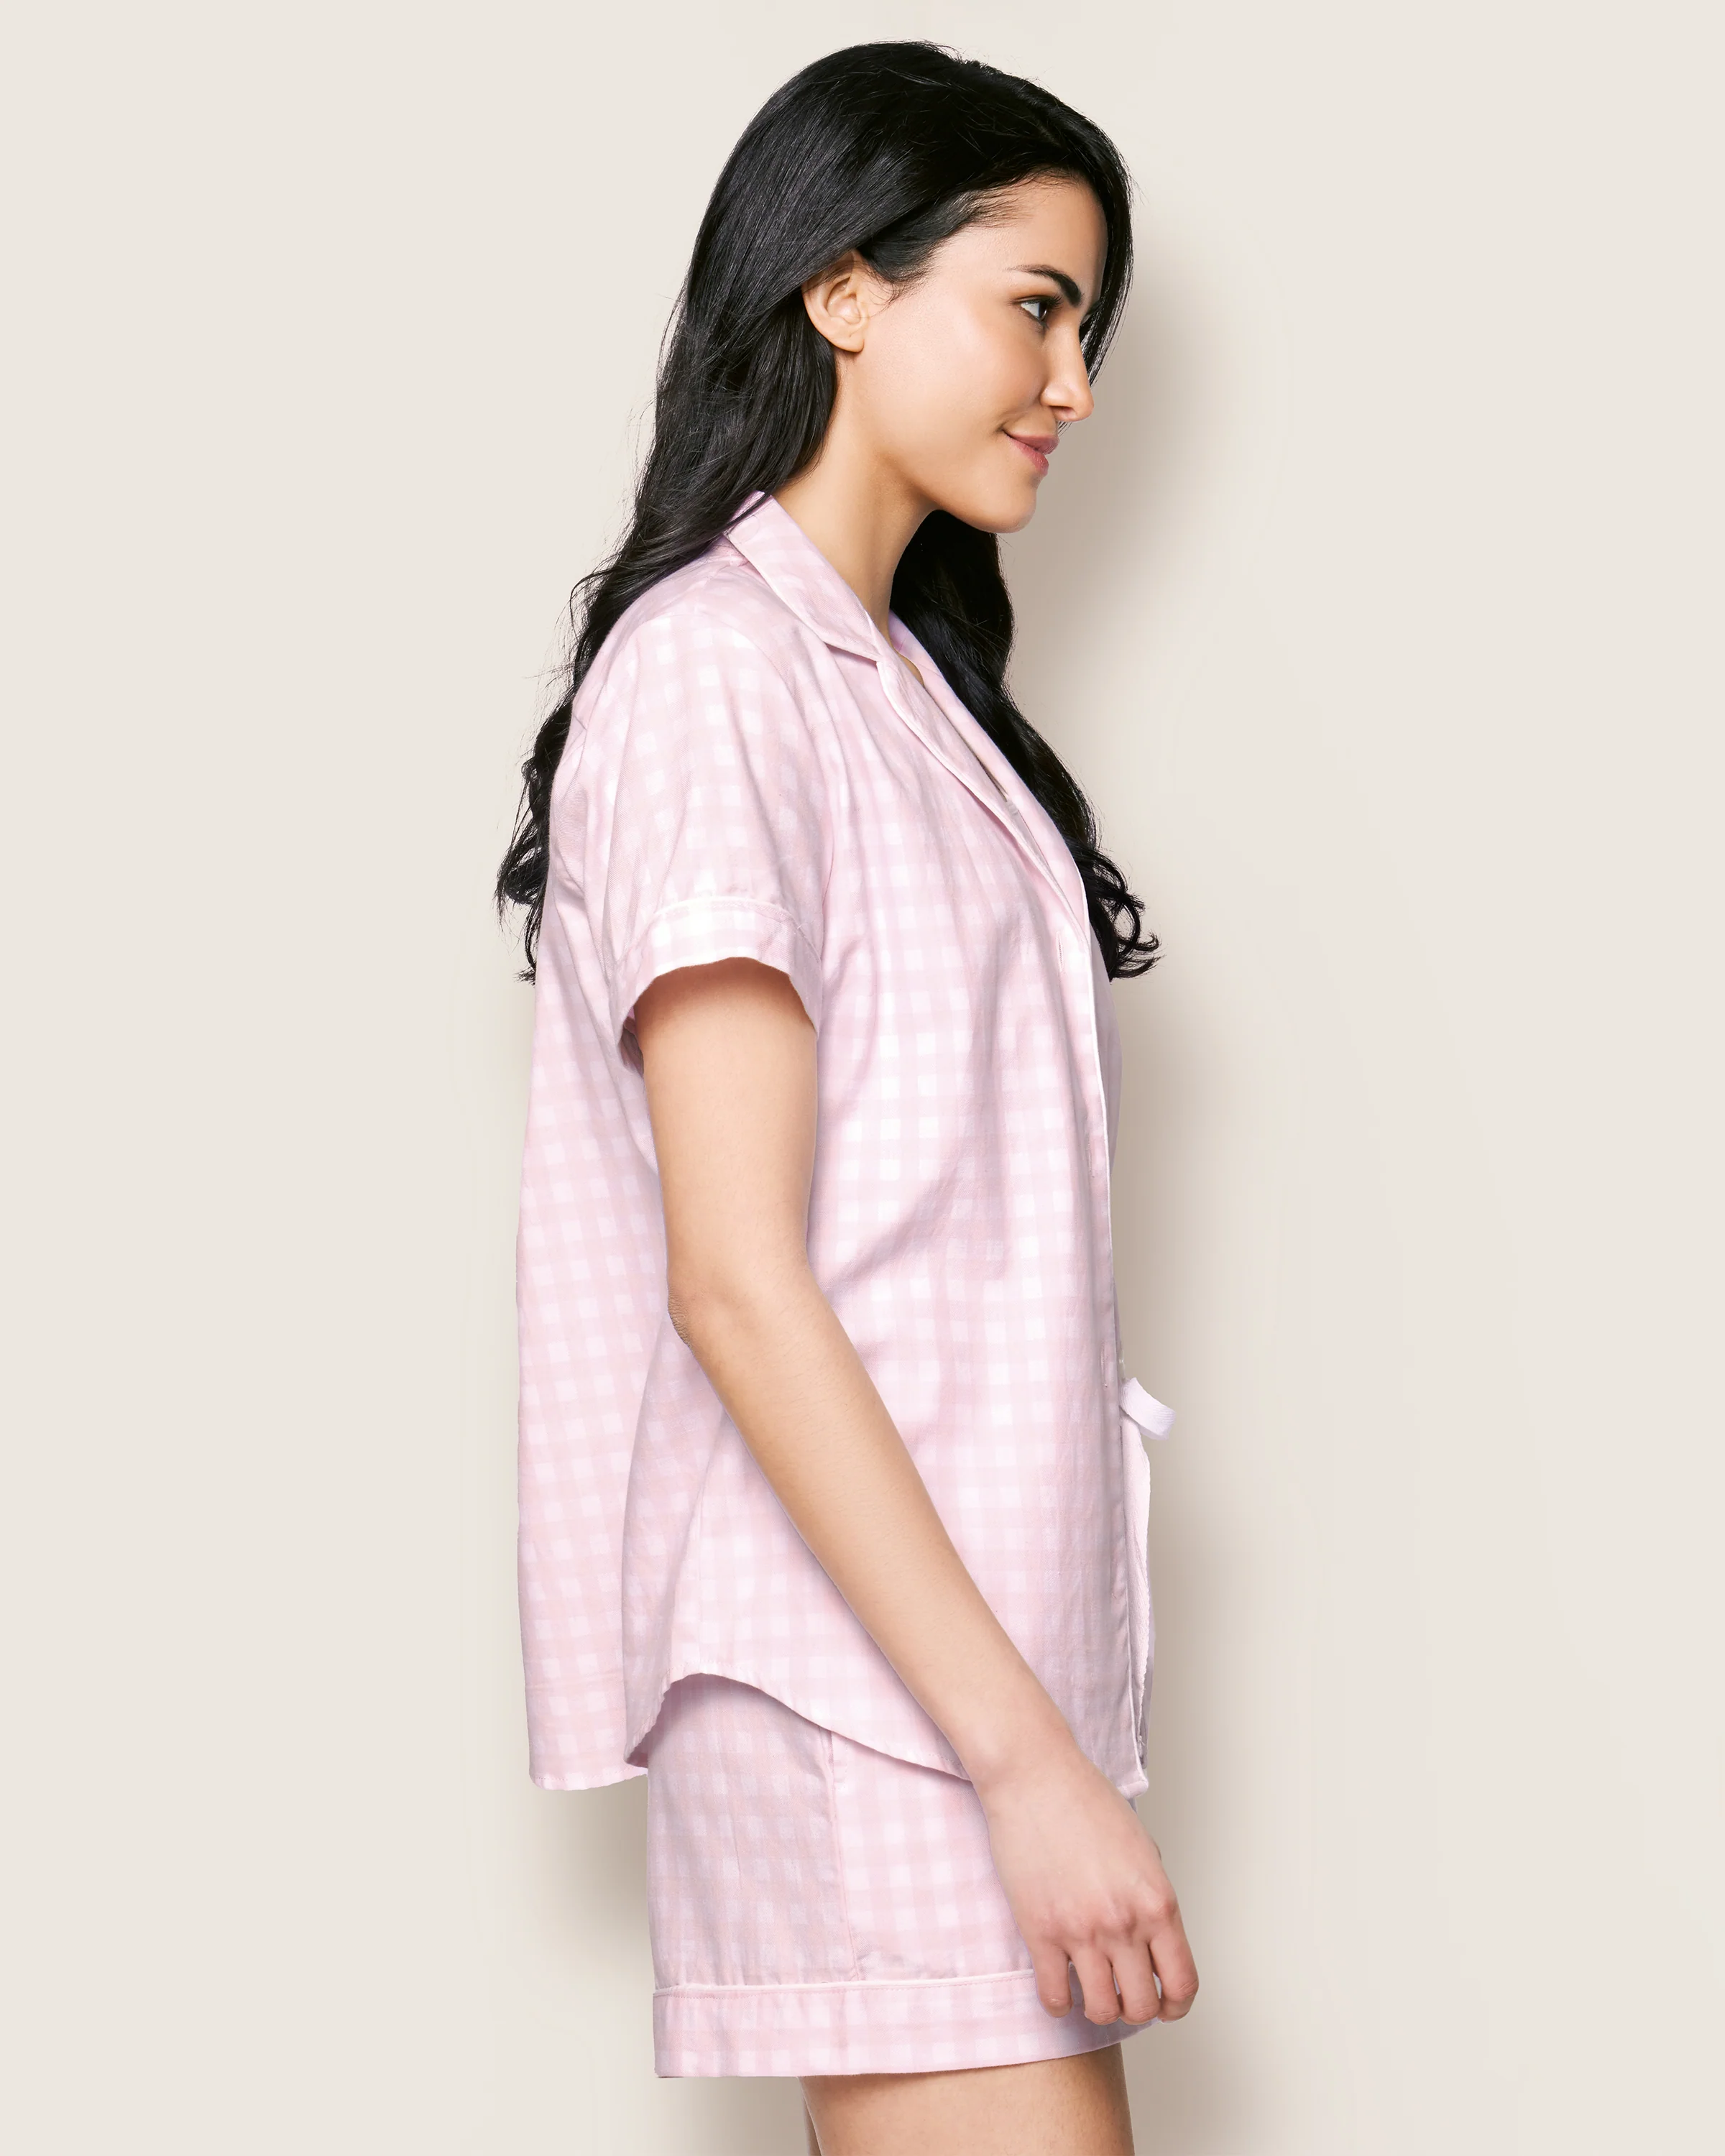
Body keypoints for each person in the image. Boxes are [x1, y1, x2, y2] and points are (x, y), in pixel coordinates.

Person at [497, 40, 1198, 2156]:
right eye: (1037, 306)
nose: (1072, 384)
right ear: (844, 288)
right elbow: (737, 1280)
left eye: (1092, 329)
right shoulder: (716, 670)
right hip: (874, 1686)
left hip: (954, 1662)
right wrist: (1026, 1765)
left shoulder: (908, 690)